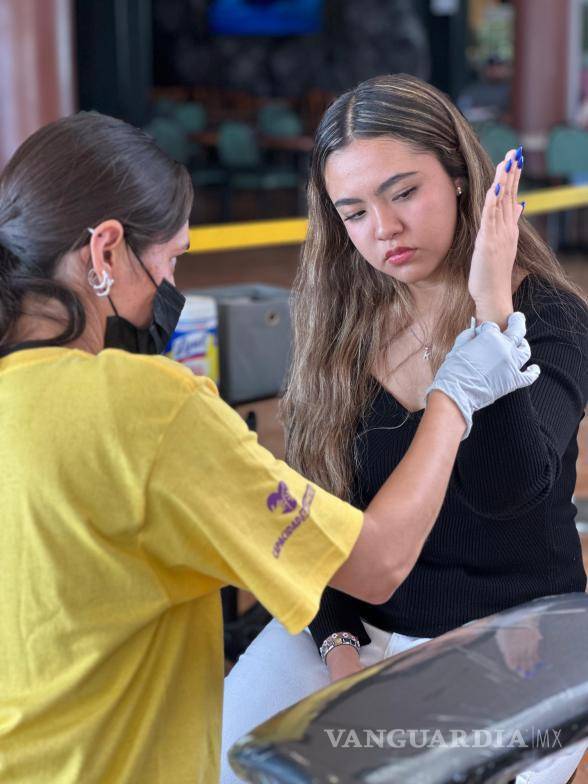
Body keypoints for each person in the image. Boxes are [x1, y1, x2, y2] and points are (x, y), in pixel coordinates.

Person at [0, 111, 534, 784]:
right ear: (105, 252)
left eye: (403, 193)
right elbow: (374, 563)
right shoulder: (142, 405)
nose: (171, 288)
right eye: (171, 259)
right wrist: (454, 396)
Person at [221, 75, 588, 784]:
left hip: (519, 635)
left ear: (459, 176)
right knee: (229, 760)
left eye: (403, 192)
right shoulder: (336, 331)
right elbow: (317, 513)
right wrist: (339, 651)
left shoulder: (551, 319)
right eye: (353, 211)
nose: (382, 229)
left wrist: (491, 314)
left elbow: (510, 491)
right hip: (362, 627)